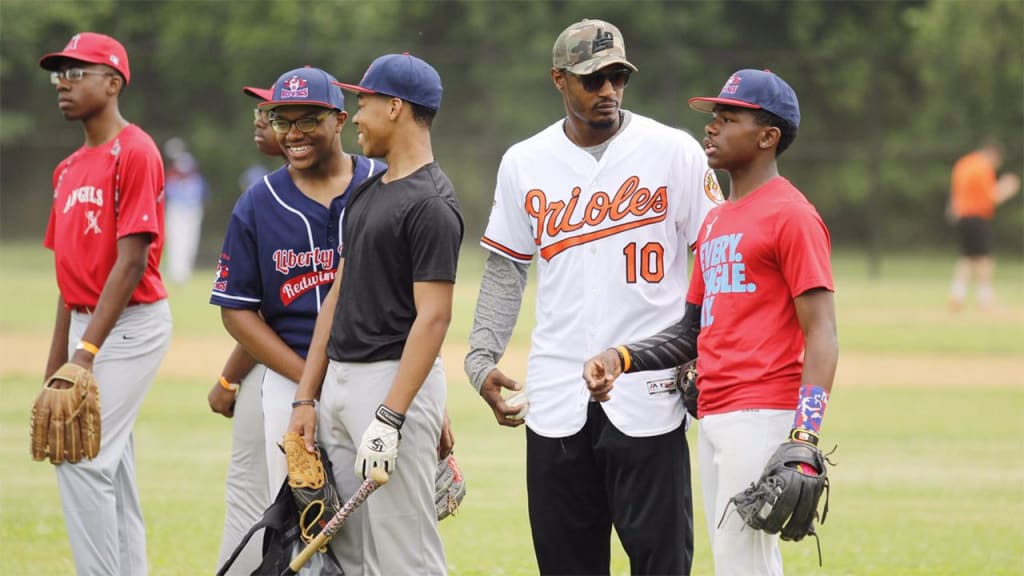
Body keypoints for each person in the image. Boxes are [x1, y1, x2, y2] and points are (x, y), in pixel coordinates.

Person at [464, 19, 720, 575]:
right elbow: (508, 267)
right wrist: (481, 356)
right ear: (559, 79)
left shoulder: (672, 151)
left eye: (617, 77)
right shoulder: (524, 162)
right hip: (556, 397)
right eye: (592, 79)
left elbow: (716, 256)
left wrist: (704, 346)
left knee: (662, 564)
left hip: (651, 390)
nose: (607, 90)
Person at [583, 69, 838, 576]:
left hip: (762, 408)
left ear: (767, 137)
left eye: (729, 118)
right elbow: (690, 331)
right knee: (736, 558)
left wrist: (805, 436)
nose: (712, 128)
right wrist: (622, 358)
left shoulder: (792, 215)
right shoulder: (718, 219)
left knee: (742, 560)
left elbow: (822, 332)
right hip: (714, 409)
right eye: (714, 118)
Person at [288, 53, 462, 576]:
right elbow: (337, 298)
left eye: (363, 102)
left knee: (404, 554)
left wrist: (393, 415)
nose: (356, 115)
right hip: (340, 385)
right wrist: (306, 396)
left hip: (387, 388)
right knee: (349, 554)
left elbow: (434, 318)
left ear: (395, 107)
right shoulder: (367, 192)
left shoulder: (431, 202)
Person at [209, 66, 385, 503]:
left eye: (308, 119)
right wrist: (307, 381)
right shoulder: (257, 202)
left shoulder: (383, 184)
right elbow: (236, 310)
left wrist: (429, 404)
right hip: (291, 380)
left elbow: (414, 299)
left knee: (379, 527)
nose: (293, 133)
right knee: (302, 519)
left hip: (377, 373)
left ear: (340, 120)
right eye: (281, 120)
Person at [39, 32, 173, 574]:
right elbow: (67, 277)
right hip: (86, 324)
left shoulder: (135, 151)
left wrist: (87, 351)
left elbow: (133, 261)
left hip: (129, 325)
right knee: (111, 467)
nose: (64, 84)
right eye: (59, 74)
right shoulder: (68, 168)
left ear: (113, 83)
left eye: (78, 72)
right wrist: (58, 360)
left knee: (81, 460)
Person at [206, 82, 283, 576]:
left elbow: (271, 310)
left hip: (280, 372)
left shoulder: (269, 198)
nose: (261, 118)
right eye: (260, 108)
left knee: (251, 498)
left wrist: (229, 378)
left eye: (274, 110)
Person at [947, 139, 1020, 312]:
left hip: (962, 216)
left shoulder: (963, 163)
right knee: (985, 258)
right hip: (978, 216)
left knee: (968, 257)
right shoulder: (982, 167)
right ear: (993, 154)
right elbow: (990, 198)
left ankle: (956, 294)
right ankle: (985, 298)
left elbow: (956, 193)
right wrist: (1007, 188)